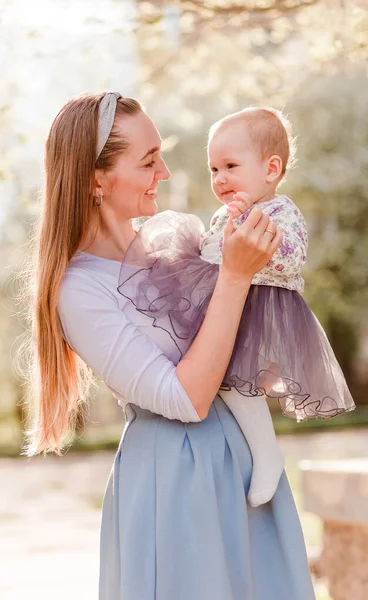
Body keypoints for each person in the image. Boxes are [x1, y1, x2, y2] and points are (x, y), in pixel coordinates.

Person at [25, 92, 316, 599]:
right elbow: (185, 398)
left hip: (245, 466)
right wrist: (235, 274)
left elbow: (243, 347)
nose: (164, 171)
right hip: (175, 482)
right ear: (97, 179)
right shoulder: (81, 290)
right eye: (147, 161)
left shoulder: (171, 247)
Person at [118, 106, 355, 510]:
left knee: (234, 384)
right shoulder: (222, 213)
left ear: (270, 168)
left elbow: (290, 258)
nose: (220, 178)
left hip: (264, 311)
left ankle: (268, 457)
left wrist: (245, 232)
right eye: (213, 170)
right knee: (205, 365)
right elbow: (216, 258)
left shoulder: (281, 212)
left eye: (229, 165)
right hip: (230, 308)